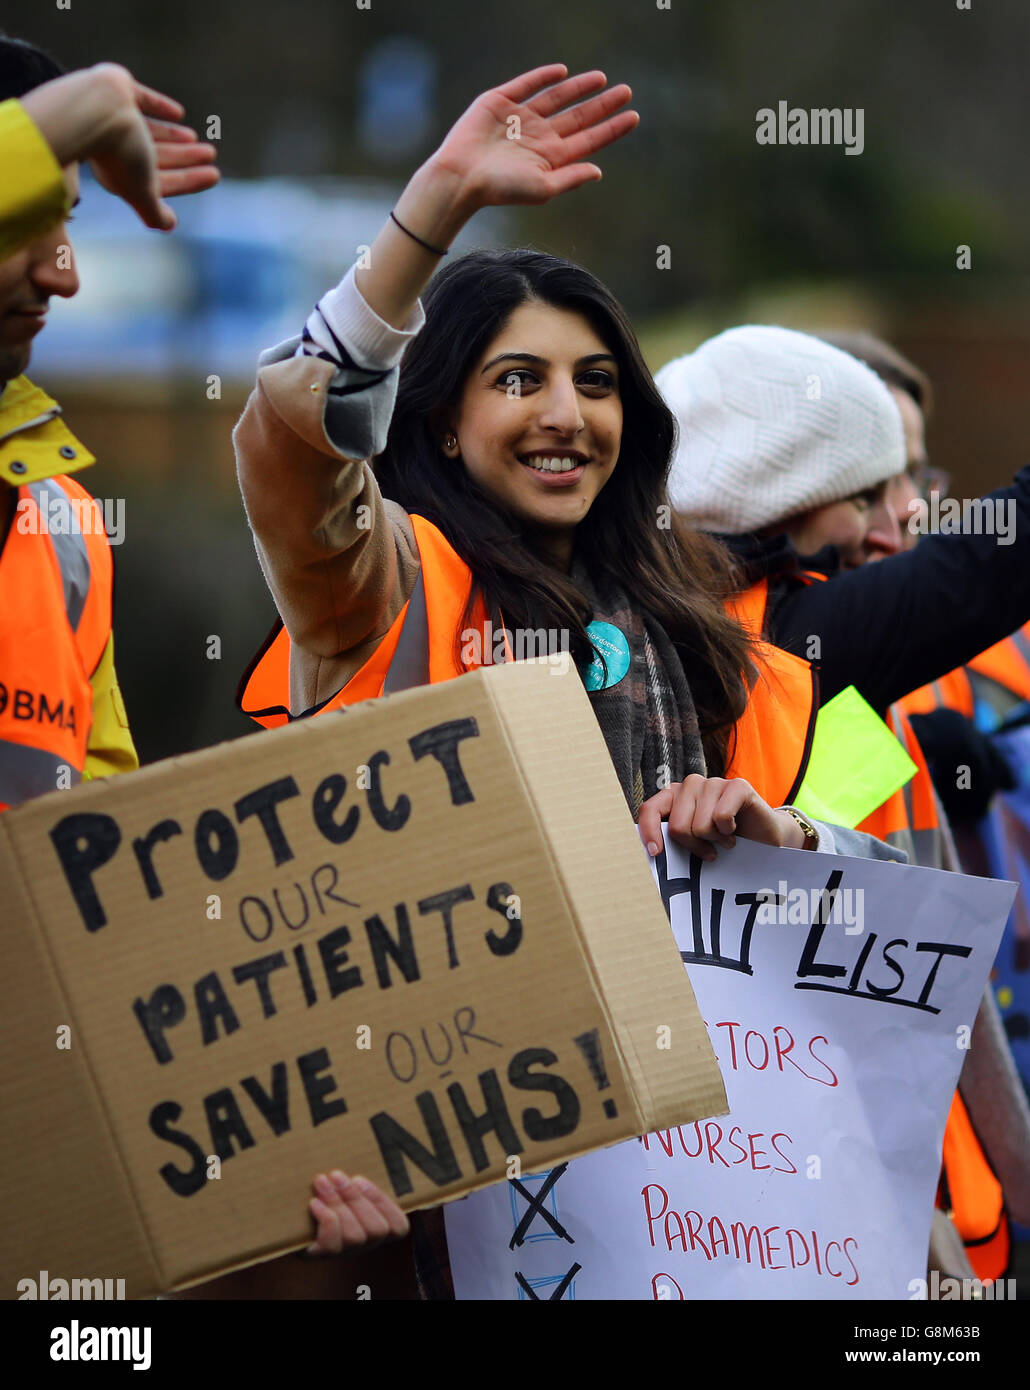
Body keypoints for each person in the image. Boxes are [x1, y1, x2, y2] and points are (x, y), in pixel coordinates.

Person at [233, 65, 903, 1293]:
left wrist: (772, 831)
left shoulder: (709, 639)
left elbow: (886, 907)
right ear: (437, 419)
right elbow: (290, 437)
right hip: (451, 1195)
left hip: (700, 1206)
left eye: (597, 382)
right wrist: (432, 206)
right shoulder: (388, 584)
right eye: (517, 379)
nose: (567, 414)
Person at [659, 325, 1030, 1287]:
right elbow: (996, 563)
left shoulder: (772, 645)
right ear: (773, 496)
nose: (897, 522)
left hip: (873, 1198)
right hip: (811, 1218)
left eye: (907, 484)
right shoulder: (791, 640)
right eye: (867, 492)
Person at [0, 37, 219, 810]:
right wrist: (96, 99)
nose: (65, 273)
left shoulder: (66, 527)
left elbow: (104, 847)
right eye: (26, 217)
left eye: (67, 224)